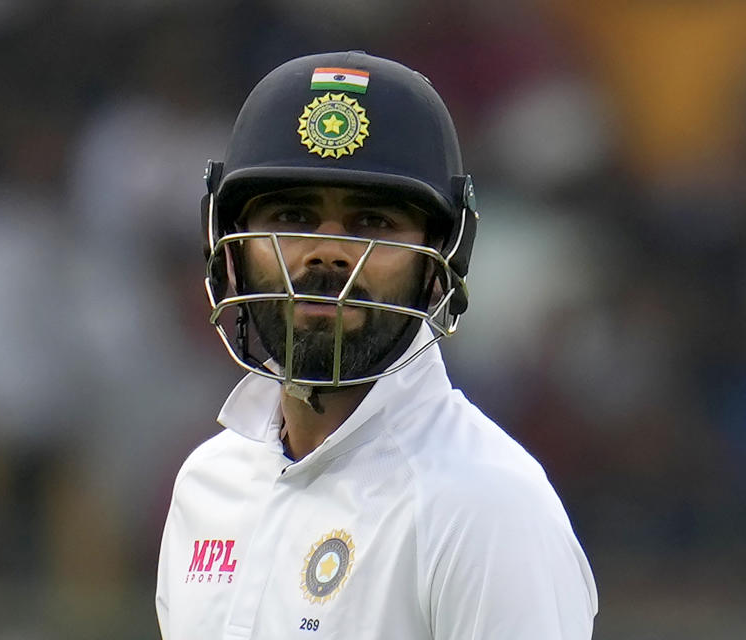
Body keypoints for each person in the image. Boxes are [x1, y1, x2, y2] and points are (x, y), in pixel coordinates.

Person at [155, 51, 598, 640]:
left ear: (442, 263)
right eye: (292, 214)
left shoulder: (487, 506)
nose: (328, 253)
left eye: (373, 222)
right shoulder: (206, 486)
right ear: (229, 246)